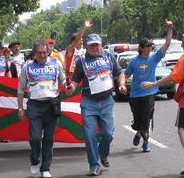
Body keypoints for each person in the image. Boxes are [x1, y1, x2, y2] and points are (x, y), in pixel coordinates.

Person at [67, 33, 127, 176]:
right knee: (90, 136)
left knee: (108, 134)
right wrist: (71, 88)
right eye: (92, 45)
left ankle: (103, 153)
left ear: (101, 44)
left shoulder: (108, 56)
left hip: (106, 102)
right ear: (87, 46)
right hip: (89, 103)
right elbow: (75, 80)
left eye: (97, 44)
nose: (95, 47)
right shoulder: (82, 60)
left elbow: (120, 73)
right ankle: (94, 165)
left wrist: (122, 85)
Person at [17, 40, 69, 178]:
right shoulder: (27, 66)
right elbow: (21, 88)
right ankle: (34, 161)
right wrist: (20, 108)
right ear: (34, 53)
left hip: (52, 105)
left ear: (49, 52)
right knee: (35, 138)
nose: (42, 55)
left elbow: (63, 81)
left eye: (45, 52)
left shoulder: (56, 64)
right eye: (39, 53)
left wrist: (68, 86)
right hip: (34, 105)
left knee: (49, 139)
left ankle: (45, 168)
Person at [140, 31, 184, 175]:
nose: (181, 44)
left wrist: (153, 84)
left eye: (183, 42)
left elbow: (174, 77)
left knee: (182, 129)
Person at [124, 19, 173, 152]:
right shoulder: (134, 61)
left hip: (149, 94)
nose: (149, 48)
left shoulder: (154, 58)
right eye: (146, 46)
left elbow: (167, 44)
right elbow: (126, 74)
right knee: (138, 119)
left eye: (150, 46)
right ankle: (138, 132)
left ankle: (145, 142)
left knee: (147, 117)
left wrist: (170, 29)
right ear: (140, 48)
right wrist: (121, 82)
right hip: (135, 95)